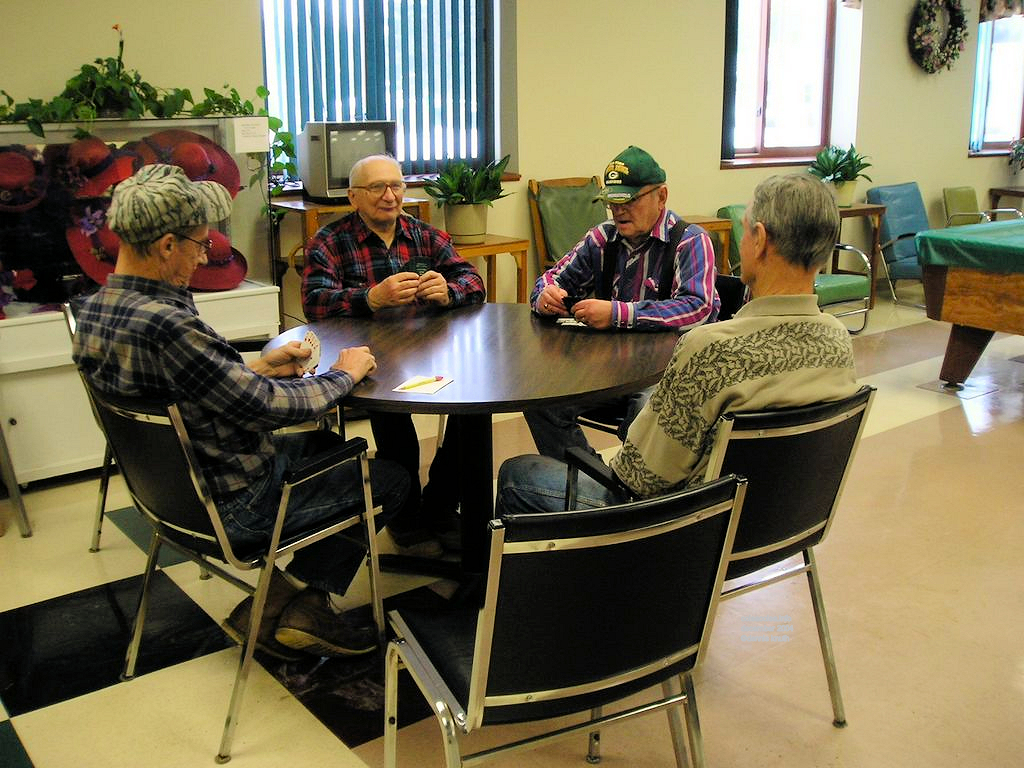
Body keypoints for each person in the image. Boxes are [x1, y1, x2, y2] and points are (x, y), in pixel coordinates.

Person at [72, 164, 409, 661]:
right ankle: (295, 600)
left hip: (169, 496)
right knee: (389, 478)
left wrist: (260, 367)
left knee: (328, 447)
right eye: (199, 245)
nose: (203, 255)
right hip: (235, 505)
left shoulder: (96, 310)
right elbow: (268, 411)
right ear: (167, 245)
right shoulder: (168, 325)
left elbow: (191, 390)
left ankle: (286, 598)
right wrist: (345, 374)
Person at [496, 173, 860, 515]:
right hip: (777, 521)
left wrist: (596, 466)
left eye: (745, 229)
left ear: (760, 239)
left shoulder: (709, 351)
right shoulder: (838, 342)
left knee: (517, 474)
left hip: (680, 528)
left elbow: (640, 477)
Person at [301, 154, 485, 553]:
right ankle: (405, 513)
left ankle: (438, 505)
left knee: (472, 414)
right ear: (353, 196)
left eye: (397, 186)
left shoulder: (425, 235)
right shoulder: (329, 242)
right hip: (369, 359)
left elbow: (472, 279)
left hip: (430, 352)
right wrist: (369, 298)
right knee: (395, 427)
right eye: (377, 188)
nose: (390, 196)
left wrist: (448, 291)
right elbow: (314, 304)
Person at [526, 145, 720, 459]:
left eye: (630, 201)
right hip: (610, 368)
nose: (619, 211)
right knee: (540, 399)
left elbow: (698, 307)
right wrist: (546, 296)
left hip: (668, 373)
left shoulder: (691, 241)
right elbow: (551, 279)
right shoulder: (602, 239)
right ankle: (596, 481)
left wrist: (618, 314)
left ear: (662, 196)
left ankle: (633, 491)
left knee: (646, 416)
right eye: (613, 202)